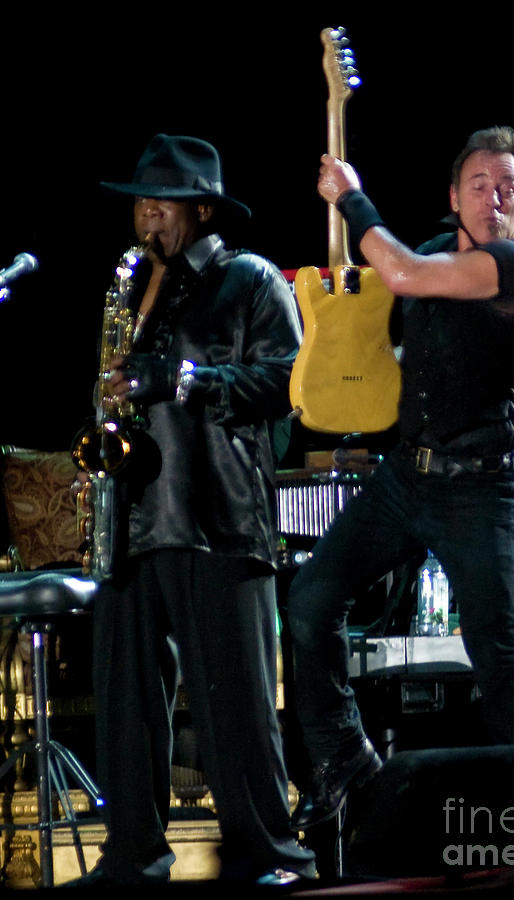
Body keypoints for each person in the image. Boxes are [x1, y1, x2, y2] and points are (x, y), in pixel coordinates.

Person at [288, 126, 514, 831]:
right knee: (312, 599)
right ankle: (342, 764)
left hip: (479, 488)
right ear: (453, 198)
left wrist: (351, 200)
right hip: (407, 477)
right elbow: (378, 312)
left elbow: (400, 273)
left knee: (494, 649)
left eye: (508, 189)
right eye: (478, 186)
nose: (493, 200)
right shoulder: (438, 255)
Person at [70, 134, 316, 887]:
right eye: (140, 200)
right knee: (125, 705)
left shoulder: (249, 281)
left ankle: (270, 858)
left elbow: (286, 382)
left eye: (162, 201)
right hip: (134, 520)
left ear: (202, 210)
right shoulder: (133, 284)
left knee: (235, 708)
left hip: (214, 518)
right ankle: (132, 855)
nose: (146, 212)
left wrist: (173, 378)